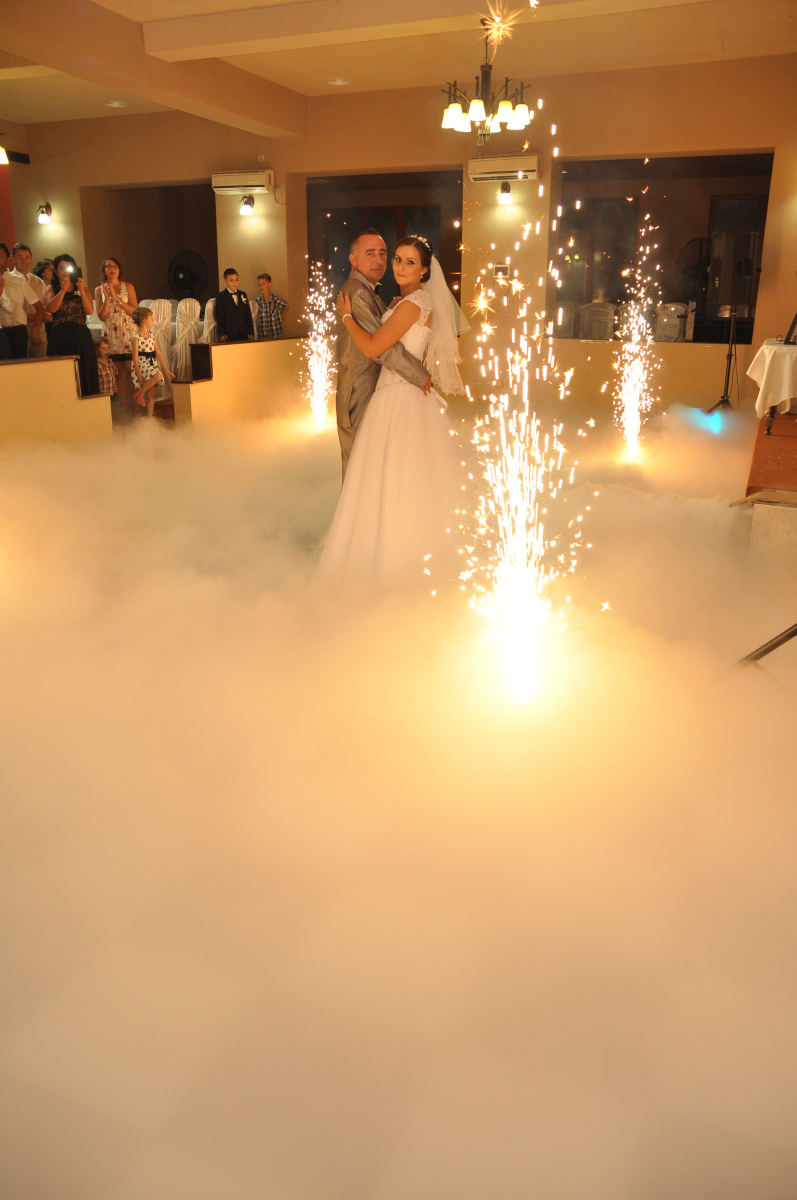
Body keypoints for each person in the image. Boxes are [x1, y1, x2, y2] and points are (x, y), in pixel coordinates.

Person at [319, 235, 469, 585]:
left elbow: (374, 346)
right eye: (397, 259)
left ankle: (391, 559)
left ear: (424, 269)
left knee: (393, 477)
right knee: (396, 476)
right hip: (396, 394)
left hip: (398, 398)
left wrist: (346, 318)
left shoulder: (413, 304)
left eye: (409, 262)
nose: (399, 266)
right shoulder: (409, 301)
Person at [334, 229, 431, 479]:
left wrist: (389, 311)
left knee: (372, 473)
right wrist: (420, 375)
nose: (379, 260)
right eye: (370, 254)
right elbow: (380, 348)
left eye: (382, 253)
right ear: (353, 259)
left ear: (423, 268)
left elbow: (380, 334)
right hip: (360, 392)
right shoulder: (357, 292)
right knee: (359, 474)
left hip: (382, 392)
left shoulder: (368, 291)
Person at [44, 254, 100, 395]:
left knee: (84, 371)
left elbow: (89, 310)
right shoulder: (51, 288)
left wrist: (82, 290)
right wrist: (63, 290)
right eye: (61, 268)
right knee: (62, 375)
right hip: (60, 337)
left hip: (80, 336)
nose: (65, 272)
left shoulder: (81, 288)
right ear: (56, 271)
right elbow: (51, 308)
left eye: (68, 268)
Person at [94, 257, 137, 402]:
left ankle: (137, 406)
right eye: (109, 266)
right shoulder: (99, 289)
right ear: (104, 270)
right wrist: (107, 298)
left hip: (127, 331)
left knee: (131, 371)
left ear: (119, 270)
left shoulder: (127, 286)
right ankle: (123, 407)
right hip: (111, 332)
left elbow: (135, 311)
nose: (112, 269)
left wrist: (118, 300)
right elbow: (101, 316)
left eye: (115, 266)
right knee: (118, 373)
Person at [1, 240, 44, 359]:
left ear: (8, 259)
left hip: (19, 331)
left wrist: (35, 329)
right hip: (1, 331)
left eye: (0, 256)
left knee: (23, 364)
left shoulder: (19, 280)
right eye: (20, 257)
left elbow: (40, 307)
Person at [131, 305, 175, 417]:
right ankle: (139, 396)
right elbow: (135, 358)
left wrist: (166, 369)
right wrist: (139, 375)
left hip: (151, 364)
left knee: (152, 393)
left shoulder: (151, 335)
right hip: (142, 365)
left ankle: (149, 418)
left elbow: (158, 353)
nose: (153, 320)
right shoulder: (136, 337)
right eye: (151, 318)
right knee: (157, 376)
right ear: (144, 320)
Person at [214, 269, 254, 343]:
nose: (234, 283)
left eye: (236, 280)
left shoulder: (243, 294)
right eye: (231, 280)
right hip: (229, 333)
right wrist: (221, 333)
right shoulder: (221, 296)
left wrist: (251, 331)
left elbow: (248, 314)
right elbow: (219, 317)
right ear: (225, 281)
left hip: (244, 332)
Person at [254, 273, 288, 340]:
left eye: (263, 284)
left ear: (269, 285)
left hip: (275, 332)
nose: (261, 286)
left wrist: (281, 319)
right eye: (260, 284)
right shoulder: (258, 300)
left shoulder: (275, 300)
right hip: (262, 333)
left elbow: (286, 306)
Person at [94, 334, 120, 417]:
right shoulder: (97, 364)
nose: (106, 350)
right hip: (103, 394)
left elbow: (115, 375)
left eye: (108, 348)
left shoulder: (110, 362)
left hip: (113, 393)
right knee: (105, 413)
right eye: (103, 348)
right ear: (96, 350)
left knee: (114, 411)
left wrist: (117, 389)